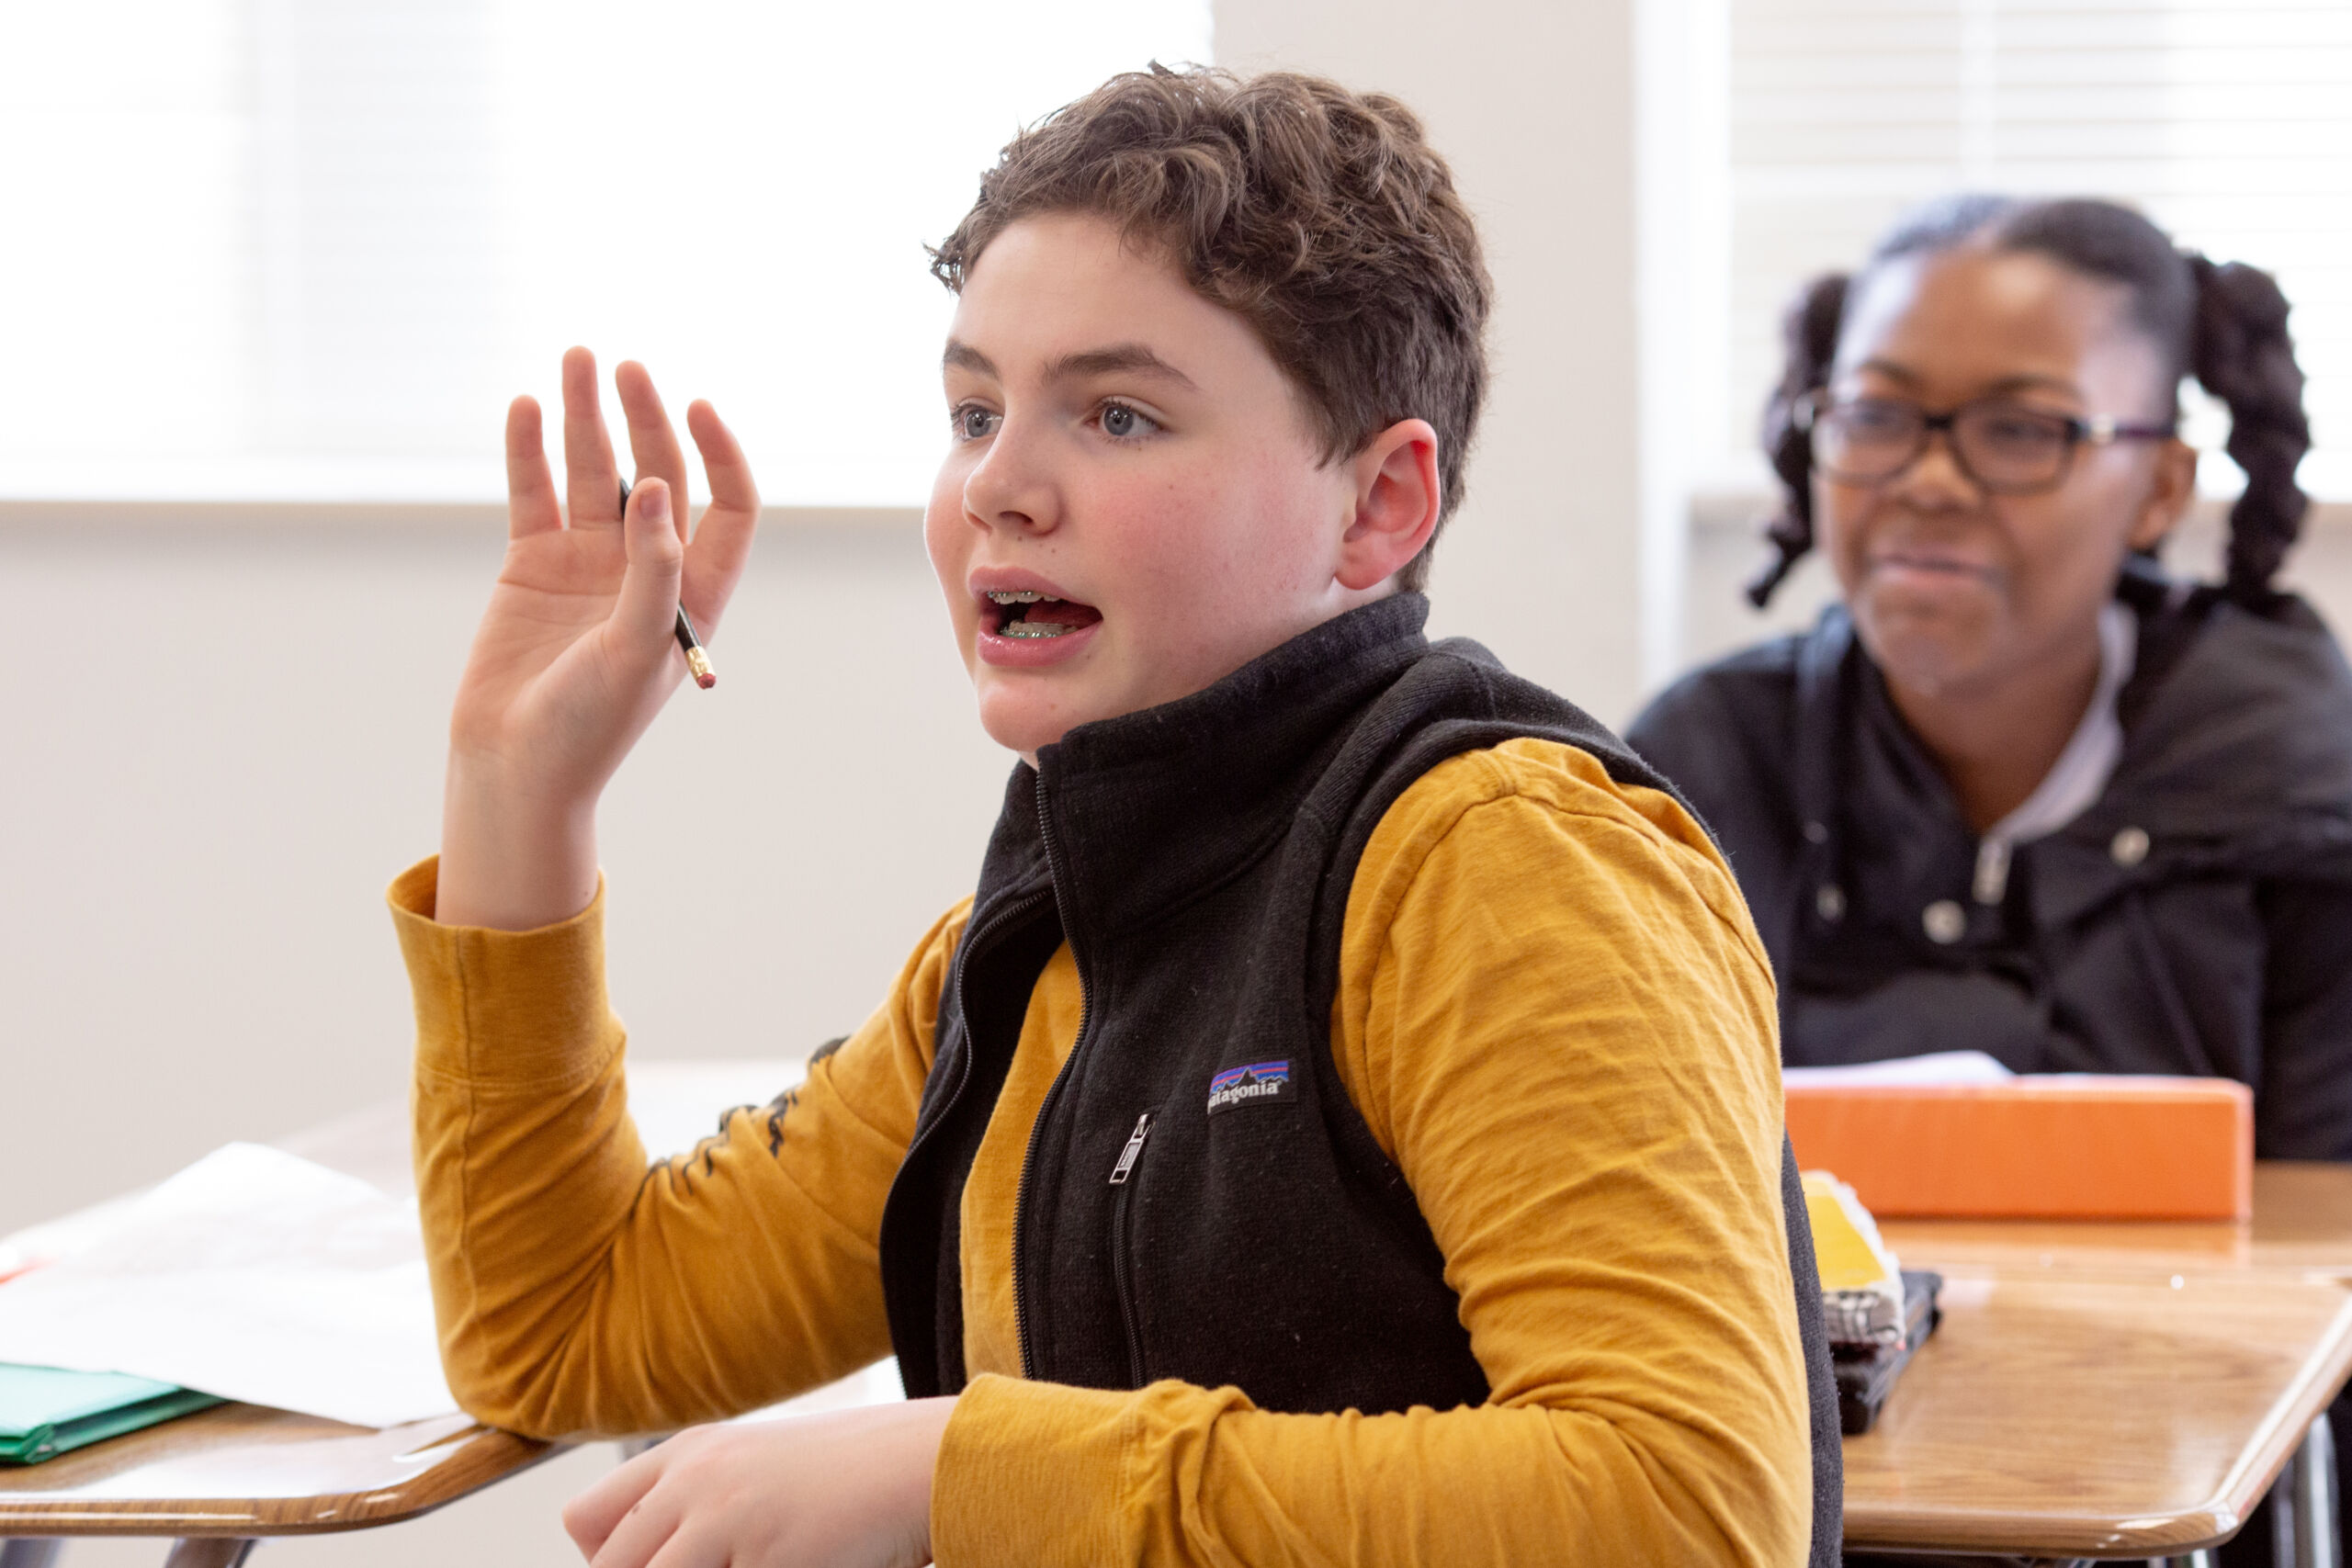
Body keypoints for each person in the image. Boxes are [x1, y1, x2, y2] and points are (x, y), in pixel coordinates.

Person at [387, 65, 1838, 1568]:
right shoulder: (1029, 954)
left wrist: (962, 1466)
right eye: (971, 409)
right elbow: (564, 1336)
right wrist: (518, 790)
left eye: (1121, 415)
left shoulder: (1504, 861)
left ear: (1379, 508)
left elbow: (1688, 1515)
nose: (998, 487)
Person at [1627, 195, 2352, 1563]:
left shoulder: (2304, 796)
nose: (1931, 478)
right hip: (1799, 1481)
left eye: (2023, 429)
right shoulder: (1699, 763)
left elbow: (2329, 1254)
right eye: (1881, 416)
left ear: (2159, 486)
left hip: (2191, 1492)